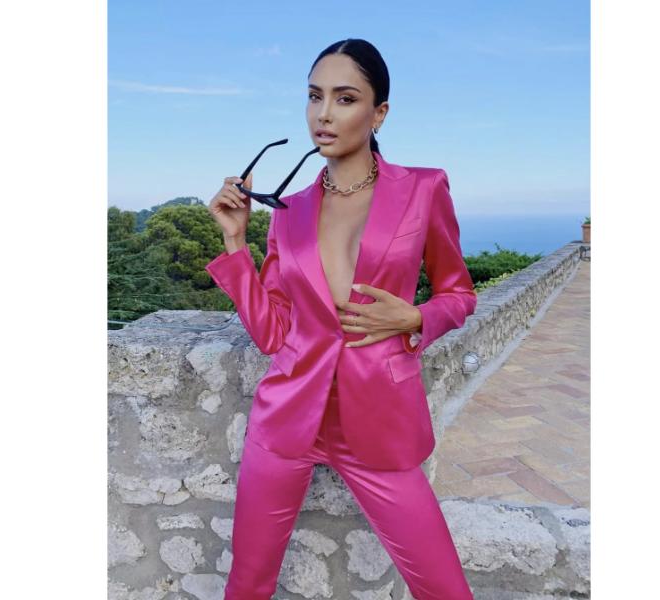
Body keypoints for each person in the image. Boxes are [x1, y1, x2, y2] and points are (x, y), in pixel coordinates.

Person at [206, 38, 476, 600]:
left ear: (379, 113)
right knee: (246, 585)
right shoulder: (290, 211)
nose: (324, 114)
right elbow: (273, 332)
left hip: (380, 421)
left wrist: (415, 316)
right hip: (285, 421)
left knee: (446, 590)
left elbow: (459, 294)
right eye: (315, 97)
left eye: (345, 98)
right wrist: (235, 243)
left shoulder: (424, 188)